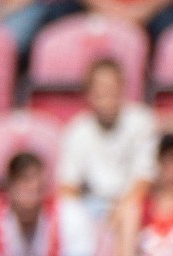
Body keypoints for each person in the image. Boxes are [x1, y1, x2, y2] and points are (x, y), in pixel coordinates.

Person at [55, 59, 156, 221]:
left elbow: (144, 178)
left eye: (110, 88)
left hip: (131, 206)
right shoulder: (76, 130)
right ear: (88, 93)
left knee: (131, 213)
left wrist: (119, 212)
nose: (106, 95)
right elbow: (68, 185)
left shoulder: (142, 121)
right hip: (90, 206)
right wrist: (78, 218)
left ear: (122, 88)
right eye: (99, 89)